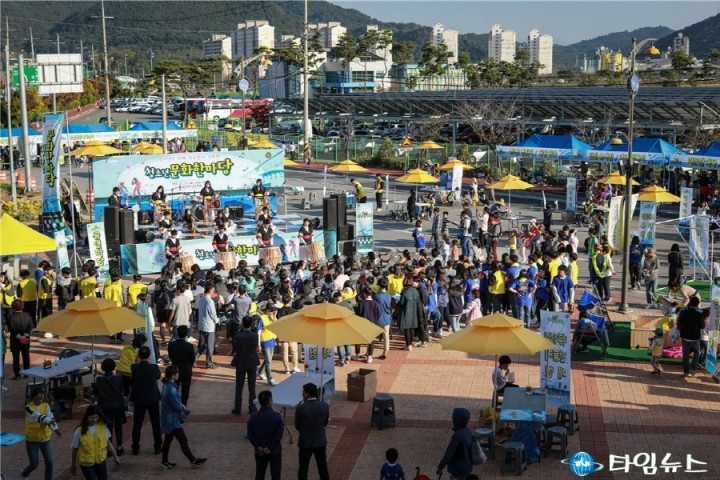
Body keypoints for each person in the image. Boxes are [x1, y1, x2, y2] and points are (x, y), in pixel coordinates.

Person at [160, 365, 206, 471]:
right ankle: (193, 461)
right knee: (182, 439)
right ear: (173, 375)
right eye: (177, 373)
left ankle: (165, 462)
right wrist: (184, 408)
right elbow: (176, 405)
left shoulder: (166, 386)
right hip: (172, 419)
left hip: (168, 418)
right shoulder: (171, 388)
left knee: (168, 440)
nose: (178, 375)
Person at [70, 405, 119, 480]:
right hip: (86, 464)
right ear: (87, 417)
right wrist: (73, 464)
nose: (94, 420)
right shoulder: (79, 431)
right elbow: (75, 448)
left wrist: (115, 457)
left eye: (96, 417)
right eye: (92, 418)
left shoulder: (102, 426)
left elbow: (108, 443)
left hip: (101, 462)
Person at [22, 388, 61, 480]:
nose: (40, 400)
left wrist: (55, 428)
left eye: (41, 398)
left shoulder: (46, 405)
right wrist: (48, 420)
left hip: (44, 439)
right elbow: (36, 416)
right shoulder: (28, 408)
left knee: (49, 462)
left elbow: (50, 416)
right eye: (37, 399)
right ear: (33, 398)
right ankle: (24, 474)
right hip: (32, 440)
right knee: (34, 464)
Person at [130, 346, 162, 456]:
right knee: (155, 423)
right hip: (152, 398)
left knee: (137, 424)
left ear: (139, 355)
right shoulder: (154, 367)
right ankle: (158, 445)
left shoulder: (134, 368)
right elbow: (158, 376)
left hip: (139, 398)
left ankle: (135, 447)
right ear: (149, 356)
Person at [296, 383, 330, 480]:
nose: (302, 395)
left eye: (303, 393)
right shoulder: (324, 405)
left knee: (303, 468)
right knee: (322, 467)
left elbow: (297, 426)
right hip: (320, 441)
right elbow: (325, 423)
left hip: (305, 442)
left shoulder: (301, 407)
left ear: (307, 394)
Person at [247, 390, 284, 480]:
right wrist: (269, 448)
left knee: (260, 473)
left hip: (259, 451)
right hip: (274, 451)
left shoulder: (253, 417)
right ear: (270, 401)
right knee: (276, 475)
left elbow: (251, 435)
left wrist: (258, 446)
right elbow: (278, 436)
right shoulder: (277, 417)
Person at [95, 358, 127, 457]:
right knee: (118, 427)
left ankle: (109, 448)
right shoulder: (119, 378)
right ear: (114, 367)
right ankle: (119, 447)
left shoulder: (99, 380)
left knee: (107, 428)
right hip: (118, 405)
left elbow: (97, 393)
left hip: (105, 406)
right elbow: (122, 390)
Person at [232, 315, 260, 415]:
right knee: (252, 387)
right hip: (252, 361)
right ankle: (252, 407)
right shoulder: (255, 336)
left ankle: (237, 407)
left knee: (239, 386)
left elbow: (234, 348)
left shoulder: (238, 336)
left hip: (240, 361)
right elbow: (255, 347)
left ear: (242, 324)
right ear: (251, 324)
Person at [436, 408, 474, 480]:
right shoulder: (467, 432)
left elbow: (449, 453)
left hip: (458, 469)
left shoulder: (457, 436)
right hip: (467, 467)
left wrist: (440, 466)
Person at [167, 326, 196, 407]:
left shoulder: (171, 345)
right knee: (185, 390)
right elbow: (192, 358)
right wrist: (190, 364)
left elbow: (170, 356)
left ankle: (175, 405)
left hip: (174, 370)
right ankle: (183, 406)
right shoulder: (189, 346)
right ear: (186, 334)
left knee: (174, 389)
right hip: (186, 370)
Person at [677, 296, 705, 378]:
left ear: (690, 303)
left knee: (685, 355)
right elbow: (702, 326)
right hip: (695, 338)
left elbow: (679, 323)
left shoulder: (683, 313)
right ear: (697, 304)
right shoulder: (699, 314)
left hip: (685, 337)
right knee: (697, 353)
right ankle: (693, 369)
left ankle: (686, 372)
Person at [7, 299, 32, 380]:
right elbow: (30, 326)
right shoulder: (27, 315)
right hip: (25, 339)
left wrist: (18, 336)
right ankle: (27, 373)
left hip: (15, 340)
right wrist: (25, 335)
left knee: (16, 358)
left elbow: (12, 329)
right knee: (26, 356)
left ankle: (17, 375)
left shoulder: (12, 317)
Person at [197, 284, 220, 369]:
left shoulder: (201, 299)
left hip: (202, 325)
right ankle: (209, 362)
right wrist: (218, 320)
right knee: (210, 346)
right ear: (210, 290)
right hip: (209, 327)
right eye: (213, 290)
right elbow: (213, 315)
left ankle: (195, 357)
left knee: (204, 344)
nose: (214, 292)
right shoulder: (210, 301)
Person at [257, 304, 278, 386]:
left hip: (272, 340)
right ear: (267, 310)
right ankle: (270, 379)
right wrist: (258, 344)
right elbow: (258, 331)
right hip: (265, 341)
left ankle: (260, 372)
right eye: (271, 311)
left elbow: (276, 325)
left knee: (268, 360)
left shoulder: (272, 317)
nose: (272, 312)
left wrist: (274, 316)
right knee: (268, 361)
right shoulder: (261, 318)